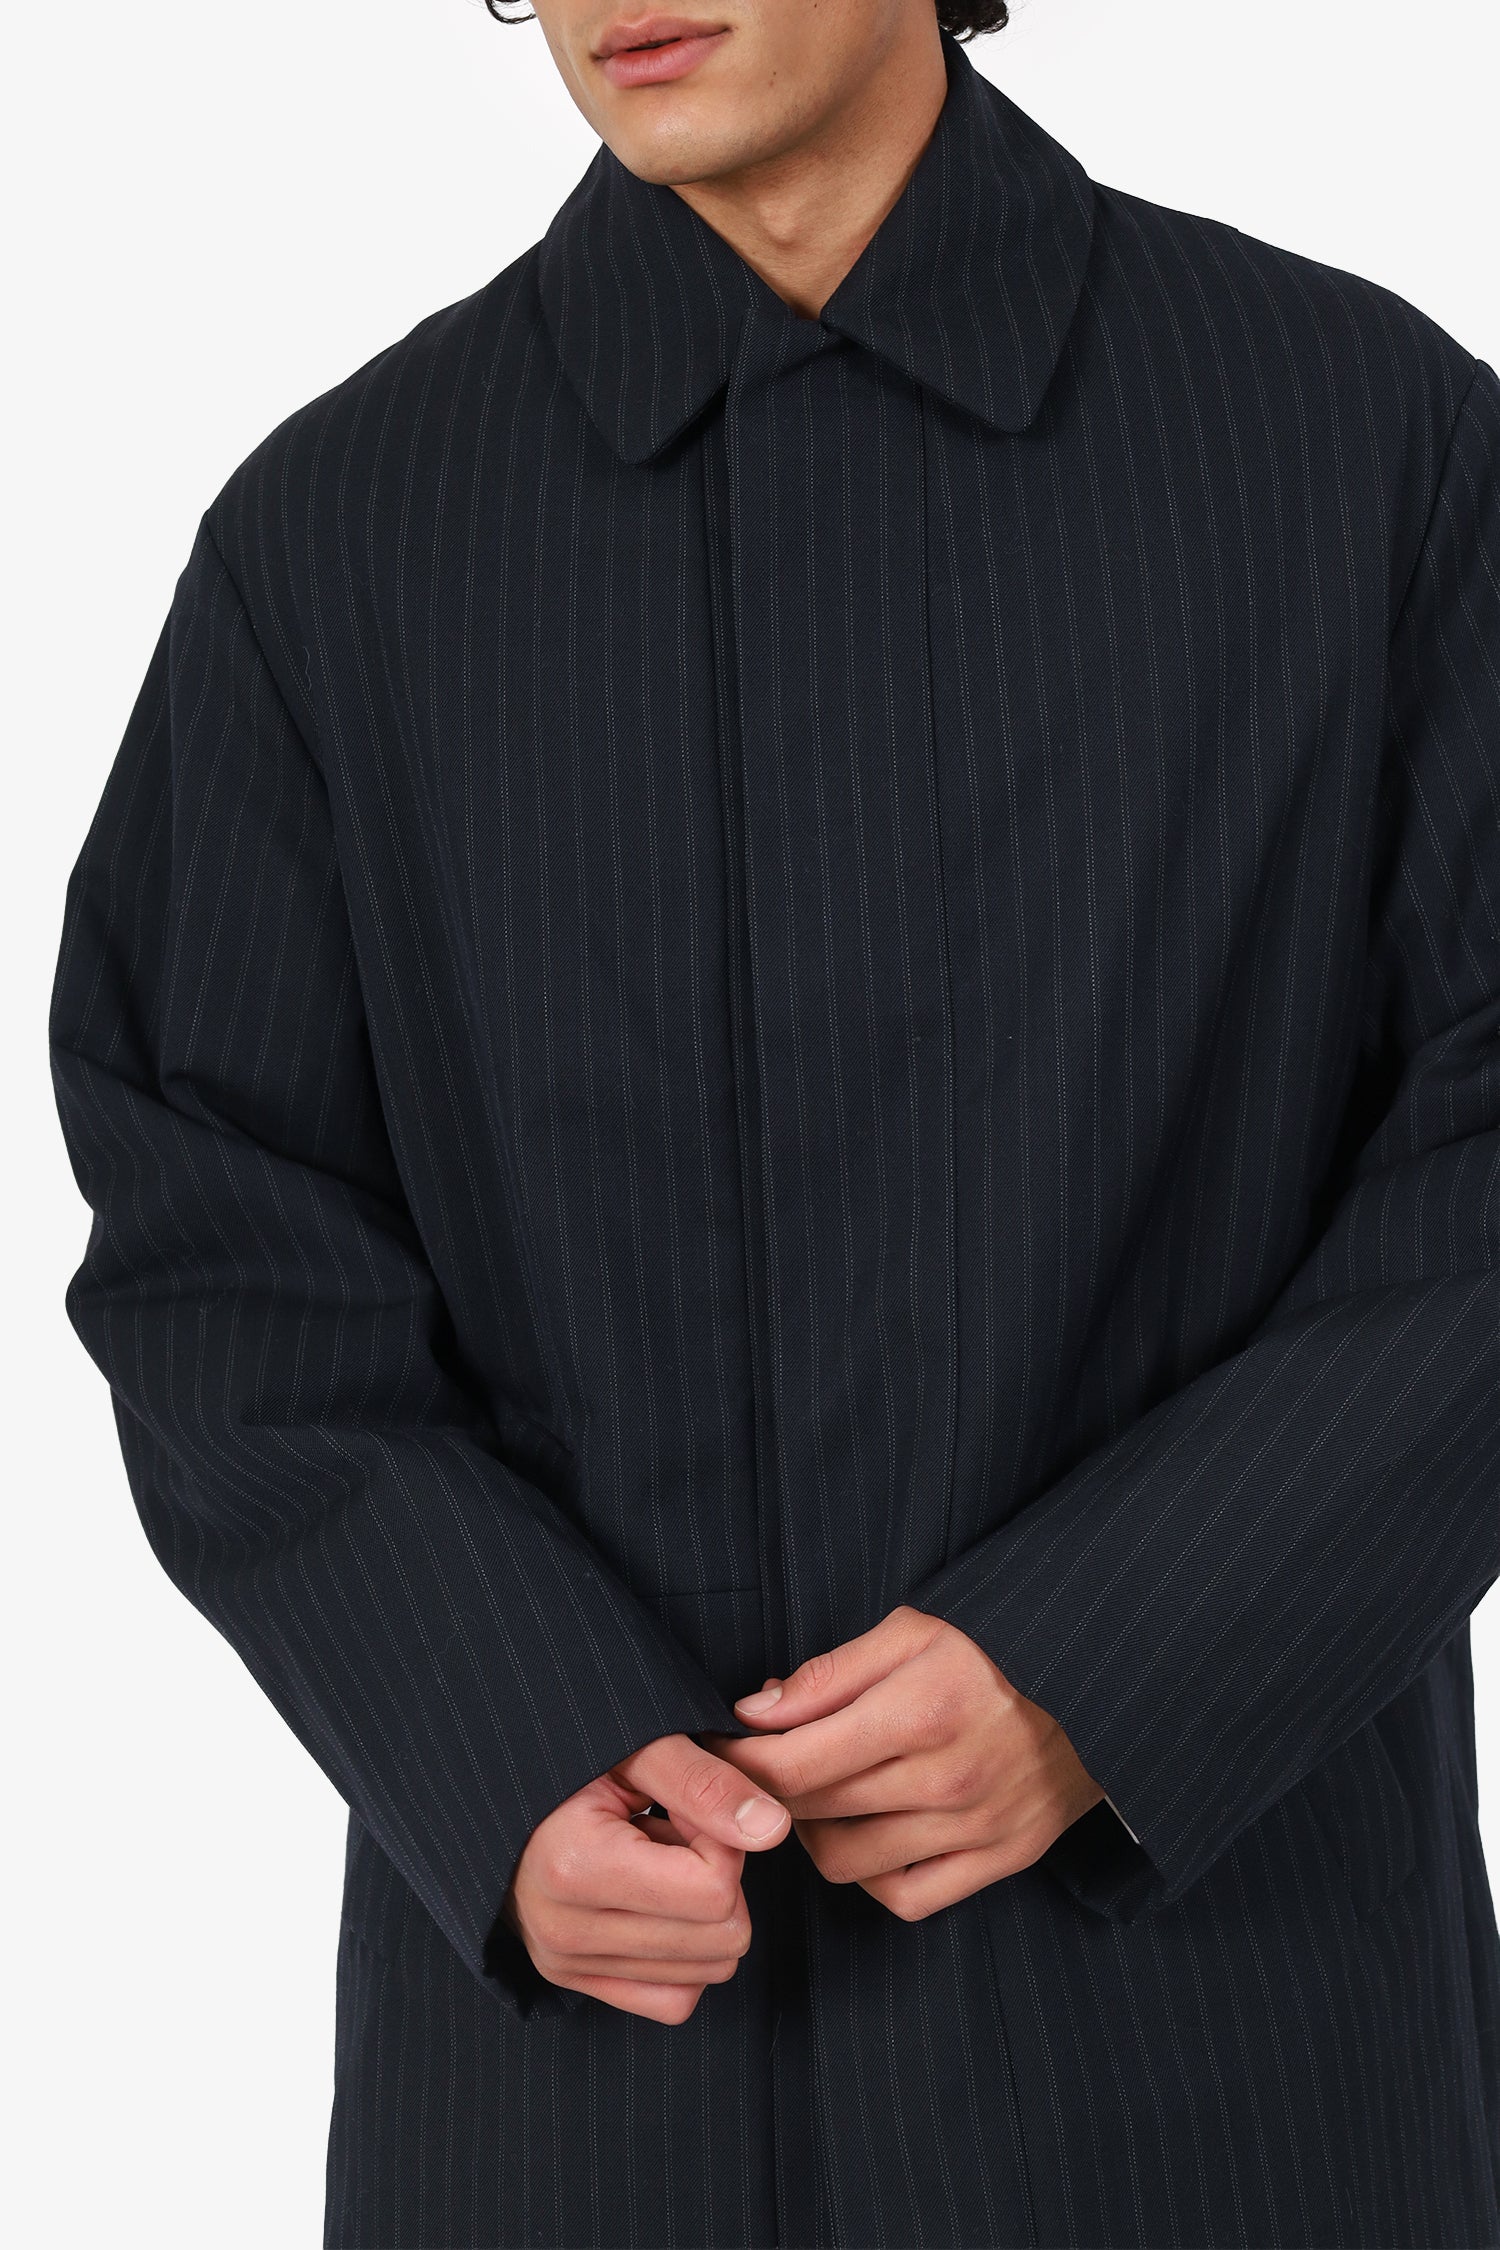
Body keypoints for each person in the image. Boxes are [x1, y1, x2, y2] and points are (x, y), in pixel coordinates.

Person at [48, 1, 1500, 2245]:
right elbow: (218, 1226)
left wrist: (1117, 1661)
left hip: (1223, 2049)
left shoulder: (1357, 440)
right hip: (584, 2098)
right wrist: (500, 1738)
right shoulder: (340, 540)